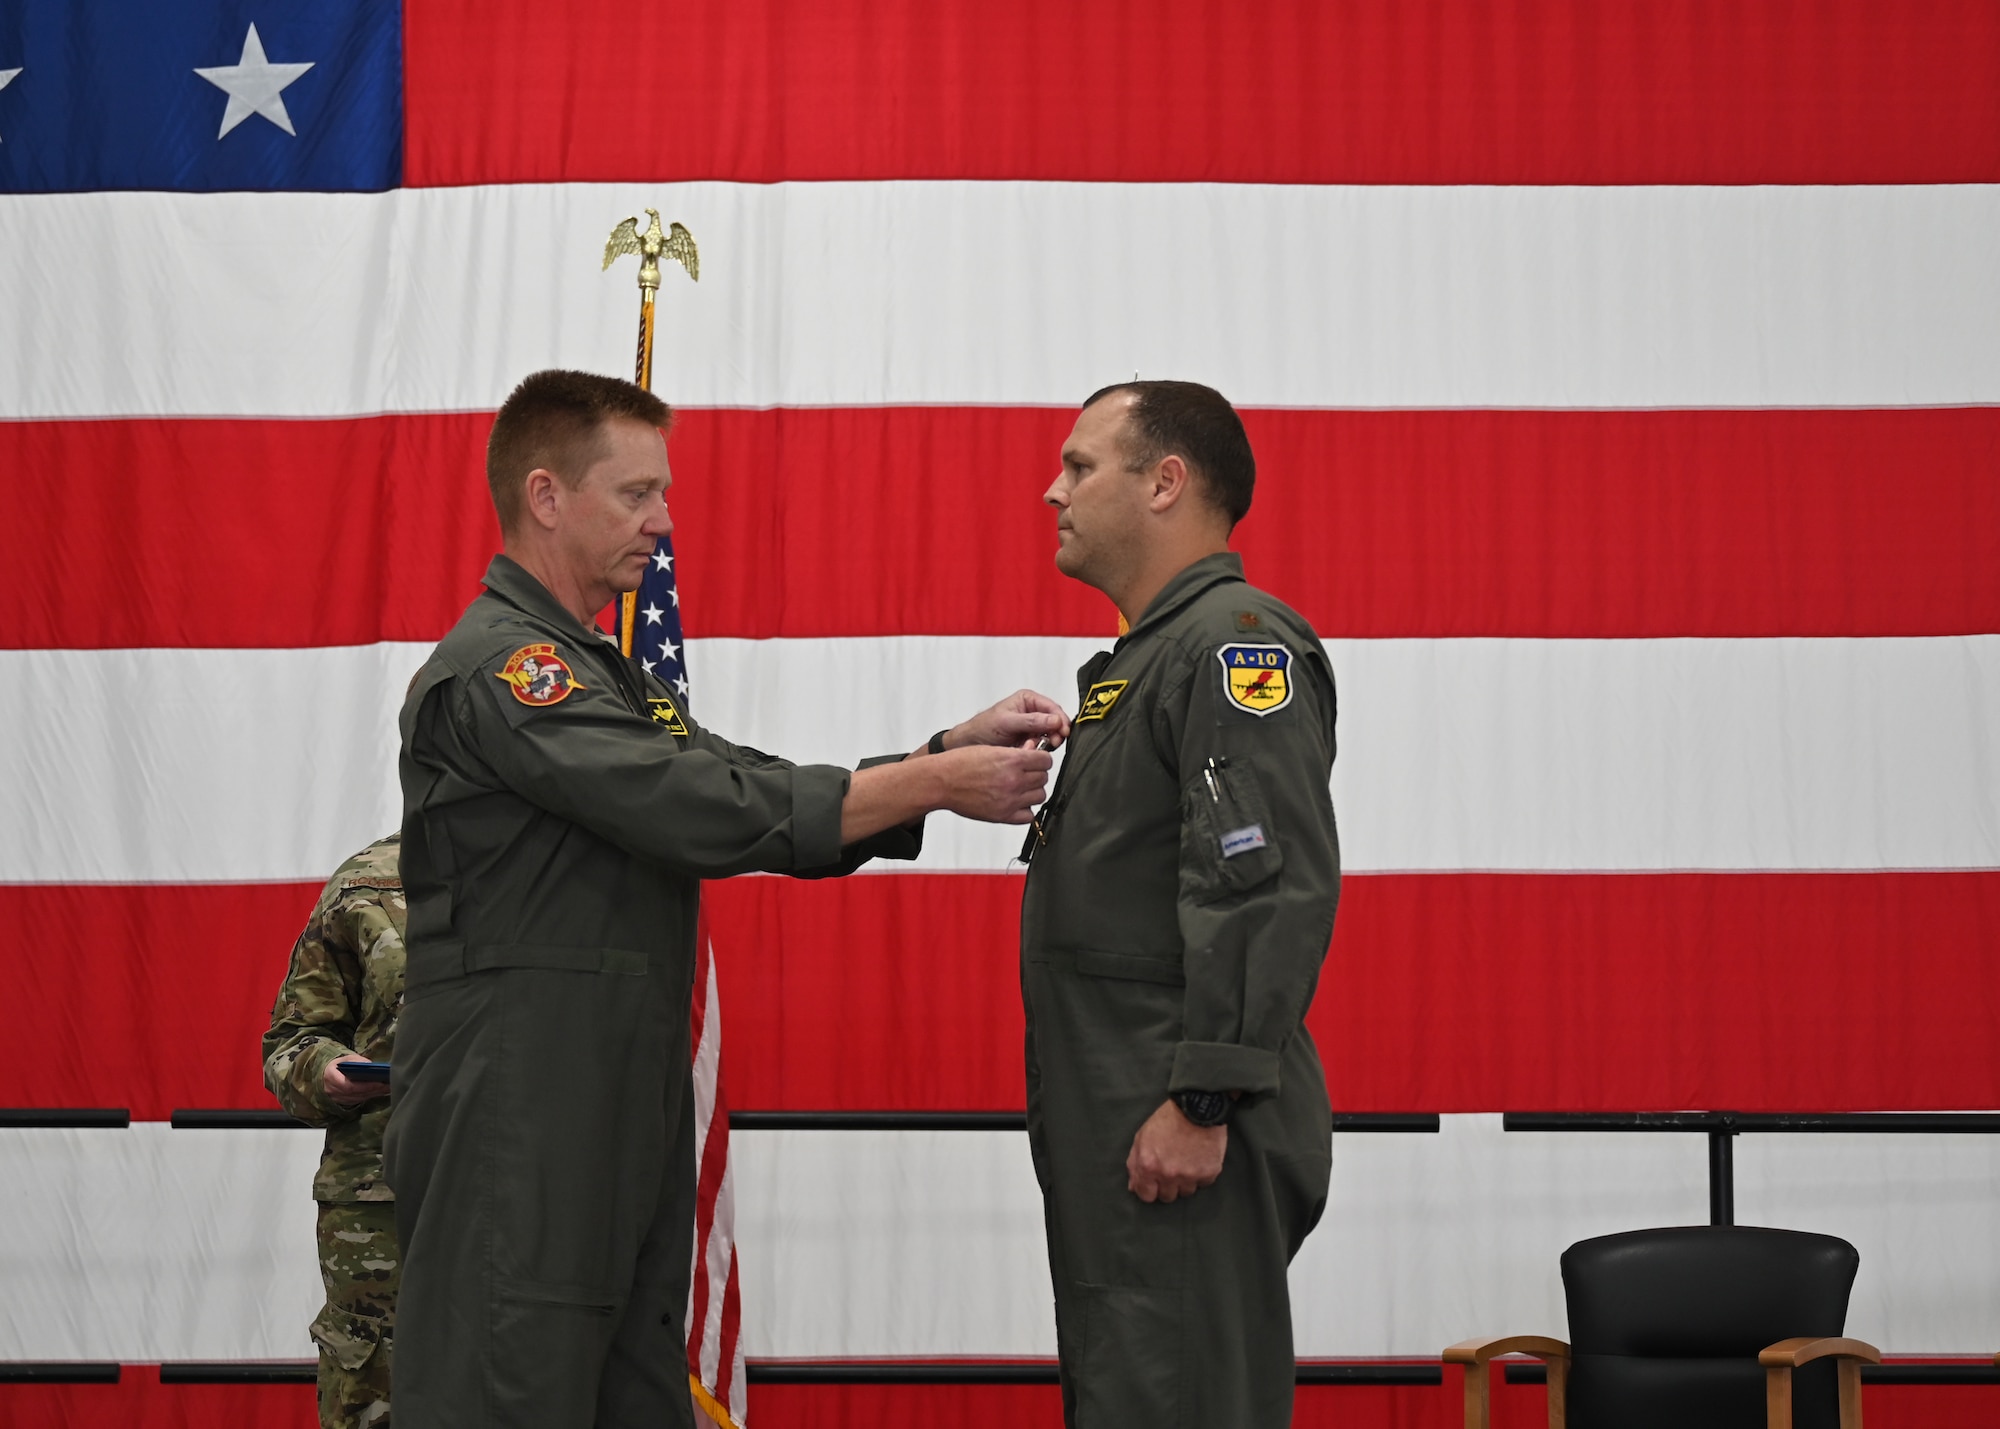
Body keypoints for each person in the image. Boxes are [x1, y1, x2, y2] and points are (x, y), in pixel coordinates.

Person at [386, 369, 1066, 1429]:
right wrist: (931, 784)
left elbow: (730, 773)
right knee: (506, 1384)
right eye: (636, 493)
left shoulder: (599, 674)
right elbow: (686, 802)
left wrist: (930, 756)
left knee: (635, 1392)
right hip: (520, 1114)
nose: (663, 523)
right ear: (545, 496)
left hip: (607, 1101)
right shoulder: (505, 671)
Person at [1020, 381, 1342, 1426]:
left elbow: (1258, 879)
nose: (1050, 490)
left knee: (1185, 1394)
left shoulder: (1231, 645)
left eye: (1078, 466)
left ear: (1165, 482)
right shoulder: (1153, 657)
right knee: (1133, 1389)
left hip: (1178, 1110)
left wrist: (1205, 1097)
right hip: (1122, 1100)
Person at [264, 832, 407, 1429]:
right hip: (385, 1209)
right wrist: (326, 1073)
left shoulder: (578, 873)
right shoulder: (369, 882)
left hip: (546, 1201)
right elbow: (291, 1043)